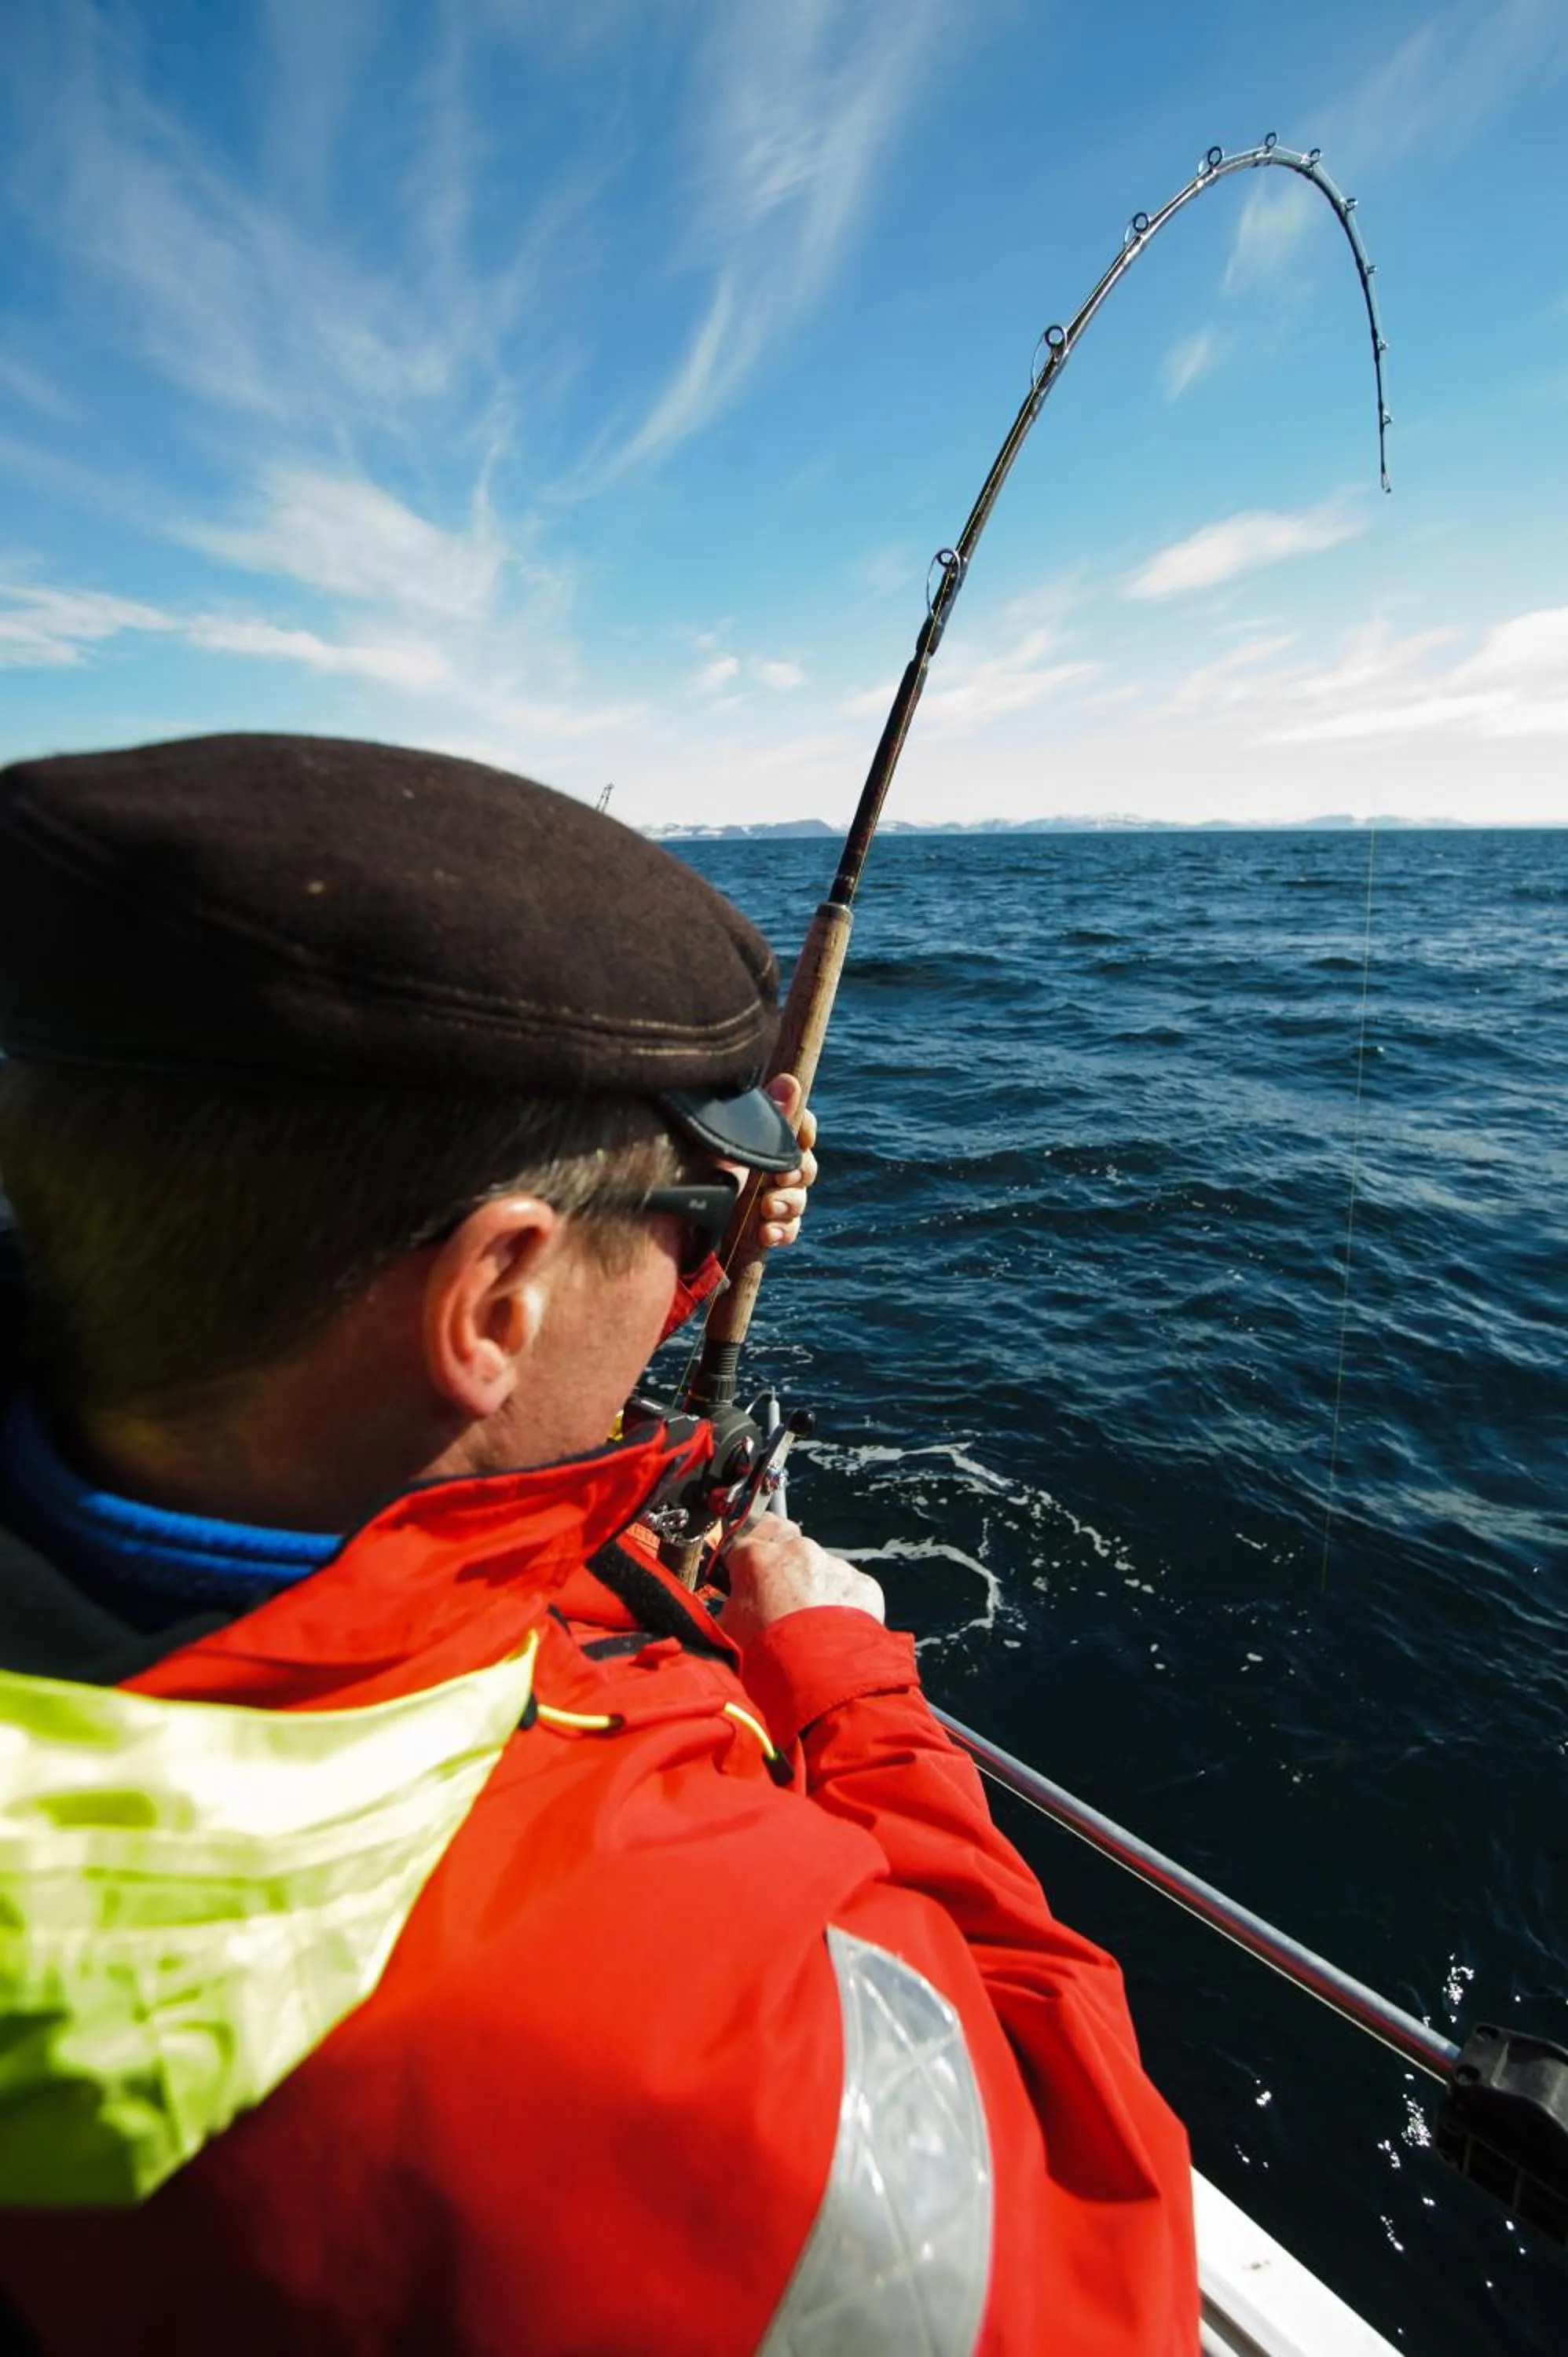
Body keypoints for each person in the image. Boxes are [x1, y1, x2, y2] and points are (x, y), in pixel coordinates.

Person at [0, 734, 1197, 2356]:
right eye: (679, 1233)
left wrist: (660, 1243)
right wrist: (847, 1686)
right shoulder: (651, 2047)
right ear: (496, 1298)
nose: (696, 1267)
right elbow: (1093, 2274)